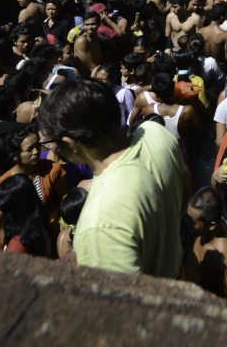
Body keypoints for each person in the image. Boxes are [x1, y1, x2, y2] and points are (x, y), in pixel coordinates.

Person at [36, 78, 186, 277]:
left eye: (51, 141)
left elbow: (123, 304)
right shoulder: (156, 133)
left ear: (70, 143)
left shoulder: (98, 223)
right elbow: (186, 192)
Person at [185, 186, 227, 302]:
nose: (186, 222)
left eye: (192, 221)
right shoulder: (201, 234)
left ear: (211, 225)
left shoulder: (226, 254)